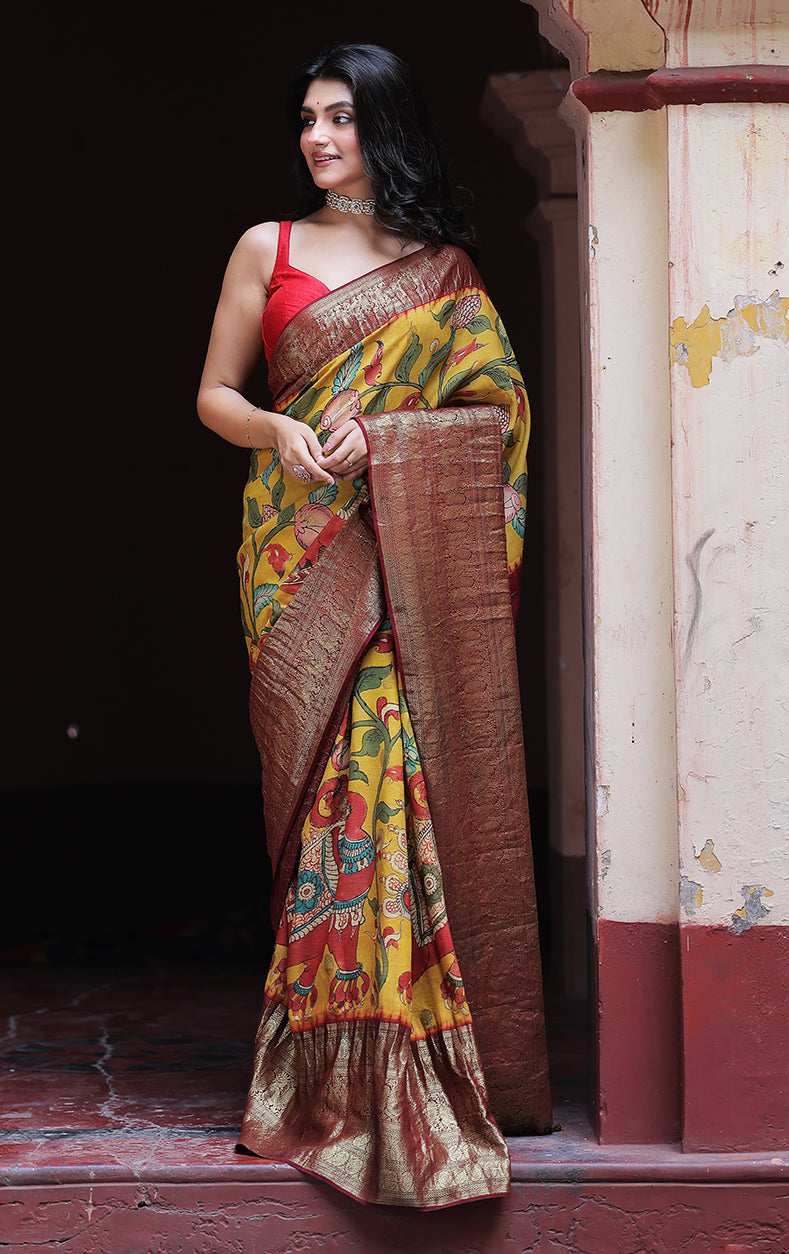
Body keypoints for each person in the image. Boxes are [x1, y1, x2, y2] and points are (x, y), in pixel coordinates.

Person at [197, 42, 552, 1209]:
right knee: (316, 803)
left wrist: (392, 440)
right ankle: (310, 1072)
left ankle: (408, 1058)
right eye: (307, 119)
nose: (318, 138)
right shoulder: (271, 248)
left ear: (383, 127)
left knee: (388, 786)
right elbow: (217, 393)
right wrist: (281, 435)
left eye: (342, 118)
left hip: (399, 559)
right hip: (294, 553)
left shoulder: (443, 274)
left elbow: (495, 411)